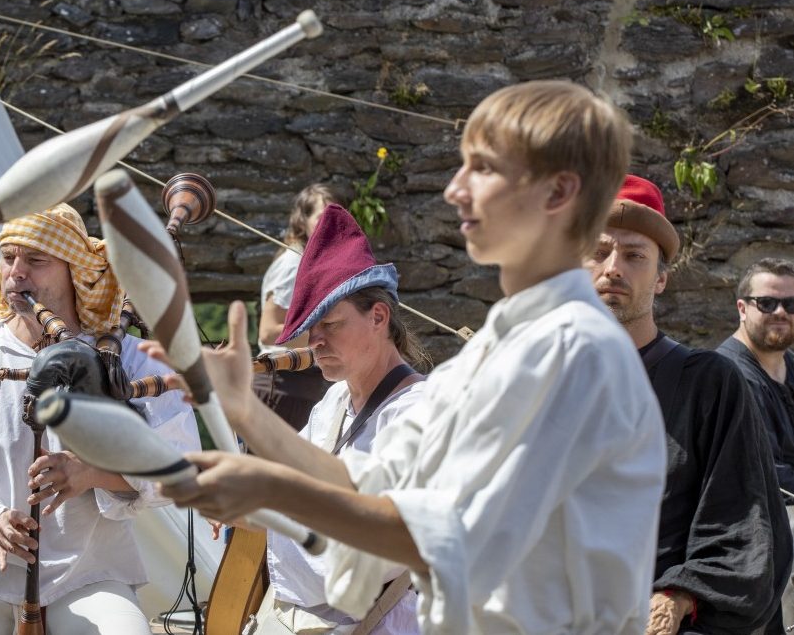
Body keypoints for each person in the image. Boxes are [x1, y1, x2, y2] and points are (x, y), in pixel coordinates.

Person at [152, 80, 666, 633]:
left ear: (558, 193)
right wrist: (246, 415)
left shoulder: (572, 349)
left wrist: (269, 489)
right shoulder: (506, 341)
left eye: (483, 168)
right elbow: (371, 480)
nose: (454, 189)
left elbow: (442, 536)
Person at [0, 204, 198, 635]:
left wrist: (94, 474)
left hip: (90, 572)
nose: (17, 273)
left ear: (74, 271)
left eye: (36, 260)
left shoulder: (130, 361)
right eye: (9, 257)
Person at [585, 175, 789, 634]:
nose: (613, 268)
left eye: (634, 255)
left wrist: (681, 594)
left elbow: (746, 527)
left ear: (660, 279)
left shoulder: (709, 384)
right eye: (598, 252)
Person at [236, 205, 424, 634]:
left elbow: (364, 556)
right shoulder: (335, 399)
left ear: (379, 317)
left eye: (331, 325)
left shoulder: (422, 413)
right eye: (310, 327)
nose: (315, 341)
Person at [717, 258, 794, 627]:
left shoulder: (789, 364)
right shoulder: (728, 374)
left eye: (790, 305)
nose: (780, 312)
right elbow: (768, 477)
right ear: (742, 308)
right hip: (753, 518)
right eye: (767, 303)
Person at [254, 183, 337, 431]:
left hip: (297, 384)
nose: (329, 224)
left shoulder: (310, 262)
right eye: (322, 217)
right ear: (303, 221)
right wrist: (325, 338)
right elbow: (268, 331)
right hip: (280, 384)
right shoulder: (294, 263)